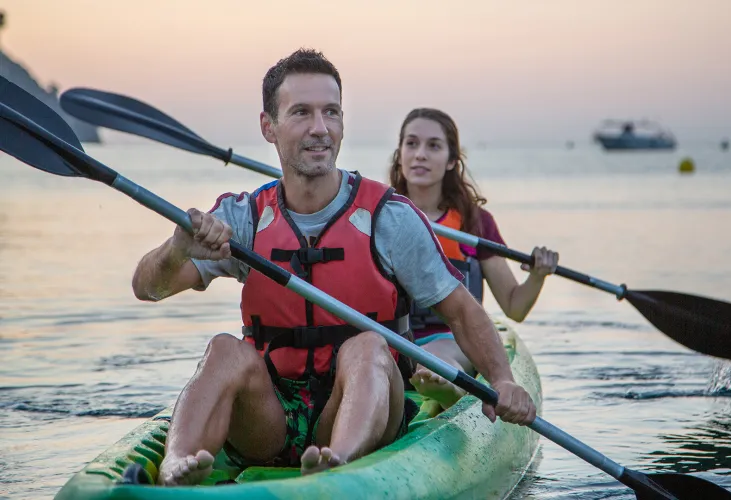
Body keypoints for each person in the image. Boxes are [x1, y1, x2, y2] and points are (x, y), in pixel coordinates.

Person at [131, 49, 537, 486]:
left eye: (331, 113)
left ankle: (336, 464)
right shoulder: (243, 216)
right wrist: (175, 250)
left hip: (367, 400)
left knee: (367, 346)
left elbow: (460, 310)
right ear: (269, 127)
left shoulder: (389, 217)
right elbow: (148, 288)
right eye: (301, 113)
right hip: (270, 417)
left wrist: (502, 379)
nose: (320, 128)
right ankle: (177, 465)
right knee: (224, 349)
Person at [388, 108, 559, 410]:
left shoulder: (475, 223)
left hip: (454, 340)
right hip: (398, 341)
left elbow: (514, 307)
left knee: (437, 356)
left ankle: (449, 388)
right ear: (399, 153)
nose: (420, 155)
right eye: (411, 144)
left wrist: (538, 275)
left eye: (434, 146)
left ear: (452, 160)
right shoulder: (383, 217)